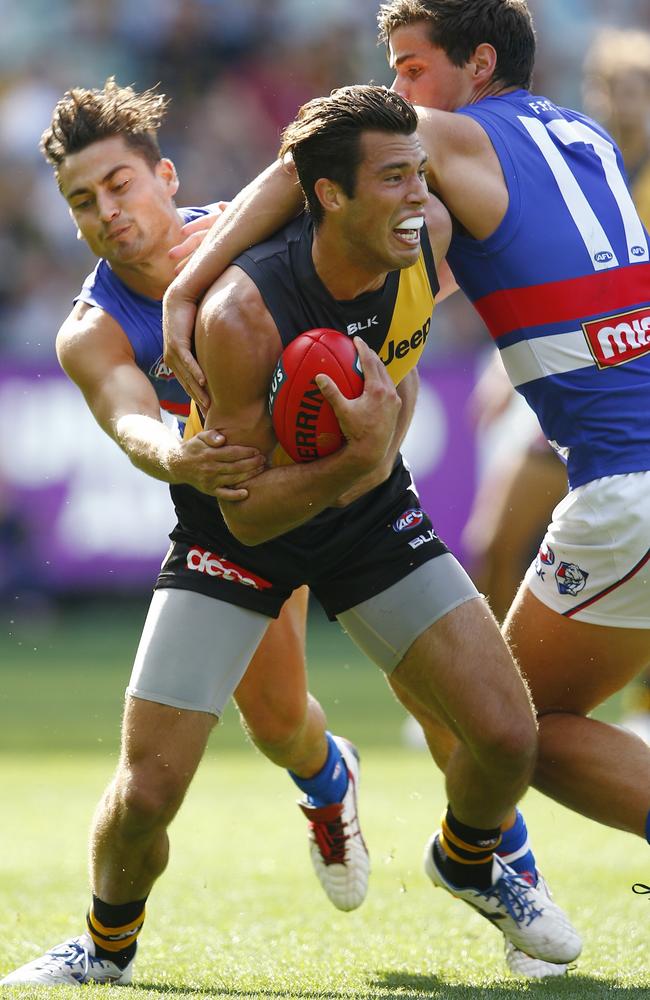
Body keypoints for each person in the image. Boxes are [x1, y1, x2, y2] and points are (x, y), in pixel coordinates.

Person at [162, 0, 650, 975]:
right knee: (502, 712)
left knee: (511, 731)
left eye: (410, 68)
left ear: (475, 63)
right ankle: (479, 858)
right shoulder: (582, 136)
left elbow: (308, 160)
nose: (397, 94)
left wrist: (188, 283)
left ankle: (469, 856)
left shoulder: (449, 135)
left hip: (625, 488)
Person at [0, 79, 375, 987]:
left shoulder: (251, 235)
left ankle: (494, 861)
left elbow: (326, 163)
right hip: (236, 516)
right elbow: (129, 420)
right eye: (83, 202)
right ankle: (328, 783)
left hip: (351, 490)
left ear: (166, 177)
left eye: (121, 185)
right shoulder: (91, 327)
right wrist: (179, 454)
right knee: (273, 726)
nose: (108, 213)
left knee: (470, 705)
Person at [581, 26, 650, 743]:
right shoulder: (593, 173)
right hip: (594, 370)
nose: (619, 105)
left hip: (630, 376)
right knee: (496, 534)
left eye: (631, 90)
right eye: (607, 90)